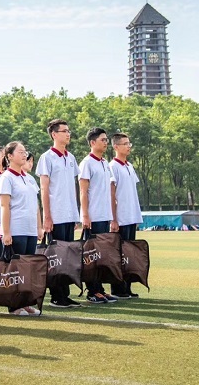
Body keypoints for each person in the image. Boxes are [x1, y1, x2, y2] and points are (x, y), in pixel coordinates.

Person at [36, 119, 82, 309]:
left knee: (68, 257)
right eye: (64, 131)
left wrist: (76, 213)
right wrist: (47, 216)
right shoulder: (46, 158)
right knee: (56, 257)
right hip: (55, 215)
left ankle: (65, 294)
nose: (68, 134)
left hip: (69, 214)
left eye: (68, 130)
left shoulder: (70, 157)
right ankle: (56, 295)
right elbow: (44, 189)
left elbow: (73, 187)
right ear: (54, 134)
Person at [0, 141, 43, 316]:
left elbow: (36, 205)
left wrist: (39, 227)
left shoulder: (29, 178)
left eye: (25, 152)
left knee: (27, 268)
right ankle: (13, 304)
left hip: (30, 229)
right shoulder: (6, 178)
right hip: (16, 229)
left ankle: (25, 302)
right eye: (20, 152)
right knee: (14, 269)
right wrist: (6, 231)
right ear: (9, 156)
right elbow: (4, 206)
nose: (24, 155)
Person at [79, 128, 118, 304]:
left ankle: (100, 289)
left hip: (104, 215)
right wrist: (85, 215)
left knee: (101, 255)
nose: (106, 142)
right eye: (102, 139)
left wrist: (111, 216)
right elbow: (83, 191)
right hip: (93, 217)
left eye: (106, 140)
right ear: (92, 142)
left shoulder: (104, 163)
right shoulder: (86, 163)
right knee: (91, 256)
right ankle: (92, 291)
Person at [109, 133, 143, 299]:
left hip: (131, 216)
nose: (128, 146)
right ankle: (117, 288)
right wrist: (113, 218)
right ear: (116, 147)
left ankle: (127, 286)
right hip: (120, 218)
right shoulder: (112, 166)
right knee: (119, 254)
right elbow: (112, 194)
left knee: (129, 255)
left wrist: (136, 216)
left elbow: (132, 193)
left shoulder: (129, 166)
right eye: (125, 144)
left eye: (129, 143)